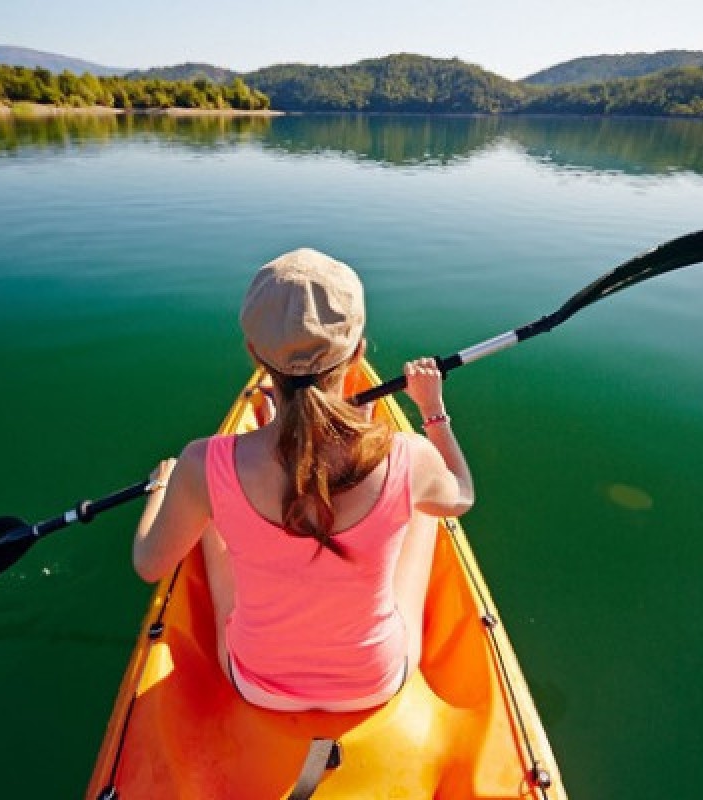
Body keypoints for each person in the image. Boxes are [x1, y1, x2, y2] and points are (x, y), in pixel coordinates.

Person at [132, 248, 474, 712]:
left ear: (255, 353)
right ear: (358, 350)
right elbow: (461, 495)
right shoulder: (409, 455)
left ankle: (280, 430)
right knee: (426, 506)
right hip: (375, 681)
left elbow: (149, 565)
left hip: (255, 683)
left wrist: (162, 487)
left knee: (213, 507)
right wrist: (432, 411)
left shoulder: (200, 463)